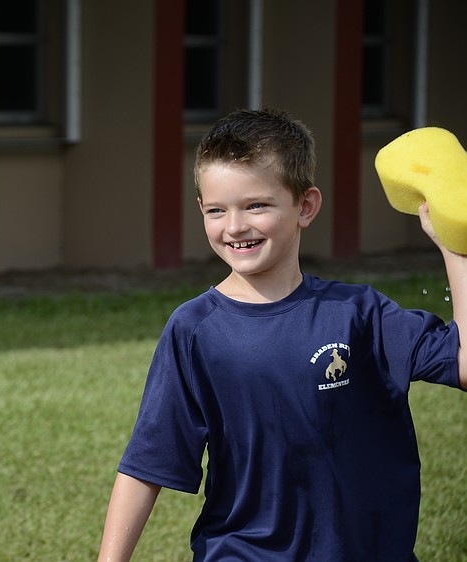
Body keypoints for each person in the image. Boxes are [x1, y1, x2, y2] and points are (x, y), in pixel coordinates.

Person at [96, 108, 467, 561]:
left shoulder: (358, 313)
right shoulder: (194, 329)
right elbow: (146, 465)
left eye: (256, 205)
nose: (234, 226)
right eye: (217, 210)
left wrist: (454, 242)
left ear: (305, 206)